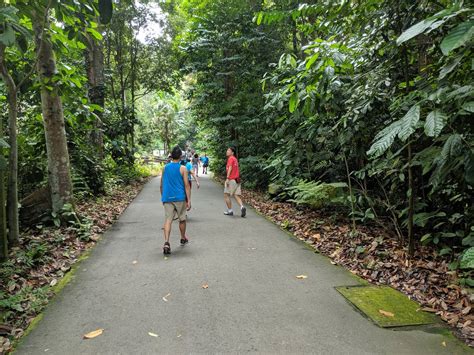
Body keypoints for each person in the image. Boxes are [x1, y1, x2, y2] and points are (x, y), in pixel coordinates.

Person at [160, 146, 191, 255]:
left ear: (171, 155)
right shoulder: (183, 168)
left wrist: (163, 196)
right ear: (180, 156)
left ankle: (166, 242)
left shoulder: (165, 168)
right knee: (182, 219)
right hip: (179, 197)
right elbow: (187, 185)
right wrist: (189, 200)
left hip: (167, 197)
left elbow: (162, 184)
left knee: (168, 219)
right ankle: (183, 238)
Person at [224, 146, 246, 217]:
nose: (227, 151)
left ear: (232, 153)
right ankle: (242, 207)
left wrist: (227, 178)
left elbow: (230, 168)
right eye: (227, 150)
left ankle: (230, 211)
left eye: (228, 150)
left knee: (226, 195)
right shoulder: (235, 159)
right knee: (236, 195)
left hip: (232, 180)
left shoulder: (230, 158)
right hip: (237, 180)